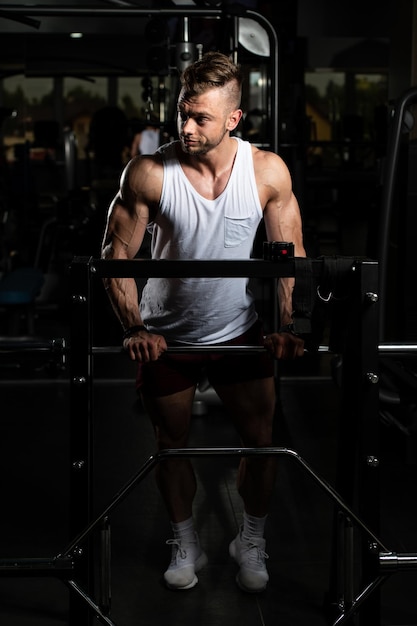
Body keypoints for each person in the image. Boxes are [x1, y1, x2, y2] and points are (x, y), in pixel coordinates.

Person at [101, 51, 306, 594]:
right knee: (172, 444)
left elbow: (292, 260)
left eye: (202, 119)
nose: (187, 128)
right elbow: (114, 256)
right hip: (167, 336)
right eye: (183, 116)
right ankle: (184, 537)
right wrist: (134, 328)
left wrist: (291, 325)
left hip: (238, 331)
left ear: (233, 120)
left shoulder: (266, 172)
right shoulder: (149, 172)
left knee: (261, 442)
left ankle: (252, 537)